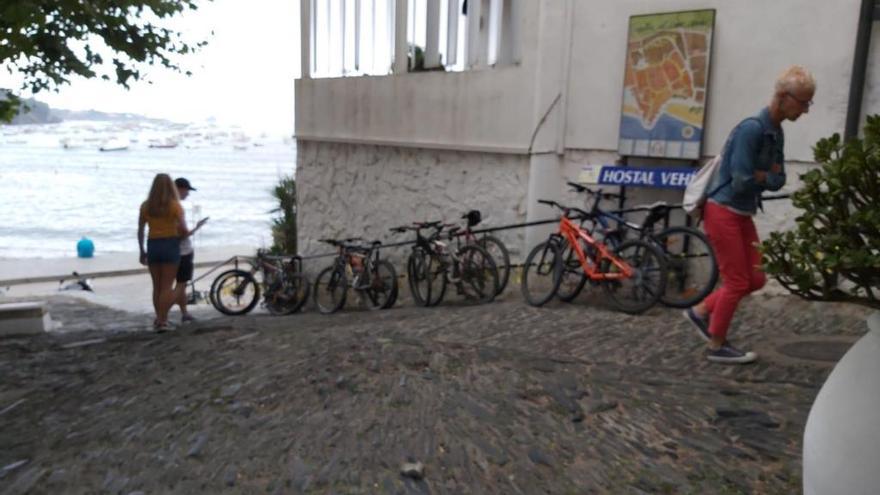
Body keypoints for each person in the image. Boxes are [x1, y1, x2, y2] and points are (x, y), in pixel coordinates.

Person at [684, 65, 816, 364]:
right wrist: (765, 176)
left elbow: (778, 179)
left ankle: (701, 311)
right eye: (803, 102)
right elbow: (742, 178)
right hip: (723, 211)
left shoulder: (776, 132)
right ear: (784, 97)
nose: (806, 110)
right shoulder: (752, 129)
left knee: (755, 279)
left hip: (742, 212)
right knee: (737, 281)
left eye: (809, 103)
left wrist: (764, 176)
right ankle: (717, 345)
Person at [138, 173, 187, 331]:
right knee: (166, 286)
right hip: (170, 244)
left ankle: (158, 319)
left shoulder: (146, 206)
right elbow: (183, 229)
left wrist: (142, 251)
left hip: (153, 245)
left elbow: (140, 230)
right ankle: (162, 320)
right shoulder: (175, 206)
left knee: (157, 286)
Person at [172, 177, 208, 323]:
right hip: (183, 252)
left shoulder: (168, 206)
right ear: (180, 189)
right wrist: (197, 227)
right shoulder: (176, 208)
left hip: (174, 251)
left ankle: (184, 313)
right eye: (187, 190)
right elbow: (182, 234)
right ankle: (163, 313)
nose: (188, 194)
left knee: (181, 284)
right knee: (181, 285)